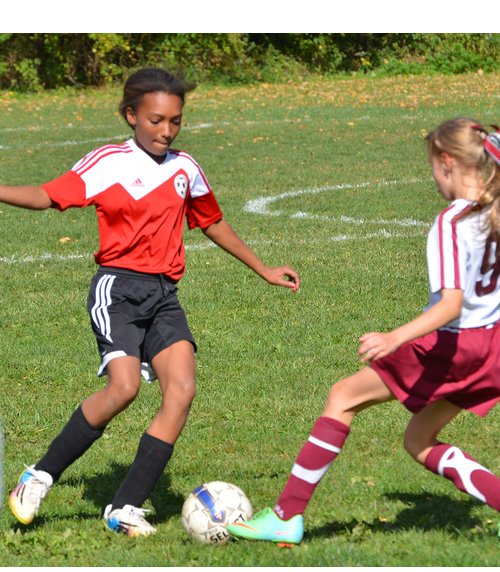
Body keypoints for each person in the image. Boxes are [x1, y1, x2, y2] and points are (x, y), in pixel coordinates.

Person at [4, 67, 300, 536]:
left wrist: (262, 268)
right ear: (131, 116)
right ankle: (37, 477)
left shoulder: (186, 169)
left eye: (175, 121)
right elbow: (46, 196)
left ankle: (123, 508)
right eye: (156, 120)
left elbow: (212, 222)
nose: (166, 131)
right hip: (117, 290)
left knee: (181, 391)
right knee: (124, 389)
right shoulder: (107, 162)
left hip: (163, 295)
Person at [227, 117, 500, 548]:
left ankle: (286, 515)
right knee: (418, 439)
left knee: (342, 397)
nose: (432, 176)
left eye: (433, 166)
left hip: (450, 343)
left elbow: (450, 304)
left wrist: (394, 337)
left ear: (448, 162)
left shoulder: (450, 223)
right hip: (488, 343)